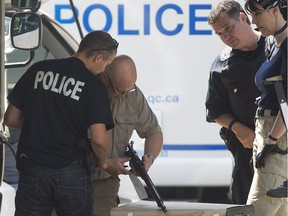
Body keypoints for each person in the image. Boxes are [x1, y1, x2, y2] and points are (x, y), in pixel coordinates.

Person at [4, 30, 117, 216]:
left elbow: (11, 118)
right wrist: (103, 163)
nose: (104, 70)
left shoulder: (38, 70)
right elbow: (99, 139)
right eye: (106, 64)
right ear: (98, 57)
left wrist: (42, 125)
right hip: (71, 171)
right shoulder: (93, 85)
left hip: (33, 168)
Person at [205, 0, 267, 204]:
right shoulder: (222, 65)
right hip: (247, 151)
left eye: (228, 28)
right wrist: (236, 127)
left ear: (243, 17)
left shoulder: (276, 49)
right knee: (246, 205)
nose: (225, 37)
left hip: (282, 144)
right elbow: (214, 110)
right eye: (220, 34)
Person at [93, 54, 163, 216]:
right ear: (104, 78)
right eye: (119, 91)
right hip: (72, 177)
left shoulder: (133, 94)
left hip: (105, 183)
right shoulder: (87, 91)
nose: (125, 96)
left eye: (129, 90)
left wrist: (149, 158)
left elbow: (153, 131)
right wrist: (104, 162)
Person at [244, 0, 288, 214]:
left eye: (257, 14)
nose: (253, 22)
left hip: (278, 137)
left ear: (275, 10)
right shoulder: (271, 43)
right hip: (267, 131)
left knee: (256, 208)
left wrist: (271, 141)